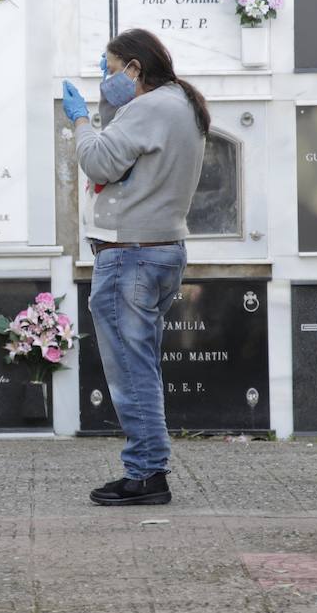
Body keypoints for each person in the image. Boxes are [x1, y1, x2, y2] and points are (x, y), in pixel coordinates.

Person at [62, 28, 208, 506]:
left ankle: (146, 473)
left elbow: (101, 162)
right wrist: (109, 110)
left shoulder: (150, 108)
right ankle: (148, 468)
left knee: (131, 368)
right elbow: (130, 158)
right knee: (139, 362)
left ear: (134, 68)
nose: (106, 76)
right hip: (161, 250)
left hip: (131, 256)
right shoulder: (181, 102)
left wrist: (82, 120)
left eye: (109, 68)